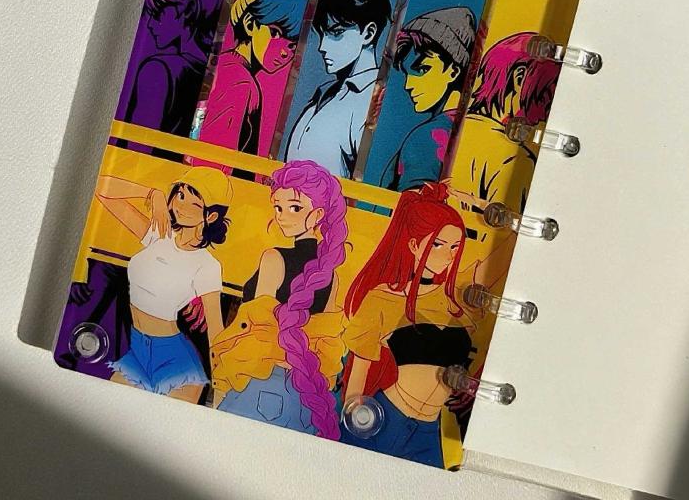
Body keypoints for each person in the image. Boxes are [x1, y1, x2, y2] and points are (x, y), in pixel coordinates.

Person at [339, 182, 513, 468]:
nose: (448, 255)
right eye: (438, 245)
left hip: (429, 431)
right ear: (413, 245)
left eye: (455, 246)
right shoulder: (383, 298)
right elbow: (357, 379)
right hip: (385, 419)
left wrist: (476, 203)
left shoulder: (459, 295)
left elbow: (513, 244)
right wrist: (355, 422)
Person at [212, 161, 349, 439]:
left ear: (318, 214)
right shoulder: (331, 275)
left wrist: (224, 381)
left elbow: (255, 335)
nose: (283, 216)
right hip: (303, 396)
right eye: (278, 208)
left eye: (295, 208)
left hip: (261, 382)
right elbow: (328, 347)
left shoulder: (274, 258)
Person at [93, 167, 233, 402]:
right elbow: (101, 188)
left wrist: (221, 391)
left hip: (176, 362)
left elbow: (216, 332)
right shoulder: (159, 234)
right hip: (138, 351)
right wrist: (152, 194)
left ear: (210, 216)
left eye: (193, 203)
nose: (180, 205)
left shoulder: (208, 265)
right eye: (180, 195)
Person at [284, 0, 391, 176]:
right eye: (321, 33)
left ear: (368, 33)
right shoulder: (325, 93)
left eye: (335, 33)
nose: (322, 46)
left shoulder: (370, 101)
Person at [198, 0, 310, 155]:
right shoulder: (241, 83)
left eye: (292, 44)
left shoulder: (228, 66)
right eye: (275, 33)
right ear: (250, 23)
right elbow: (214, 158)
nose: (284, 52)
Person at [448, 31, 562, 214]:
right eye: (547, 96)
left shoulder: (445, 123)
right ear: (519, 78)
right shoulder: (514, 159)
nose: (545, 114)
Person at [122, 0, 229, 138]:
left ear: (189, 9)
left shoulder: (158, 69)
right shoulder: (212, 74)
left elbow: (135, 148)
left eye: (158, 11)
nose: (150, 23)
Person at [379, 7, 477, 191]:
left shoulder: (427, 137)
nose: (408, 85)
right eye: (406, 73)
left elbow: (415, 207)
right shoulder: (473, 128)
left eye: (422, 69)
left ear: (453, 71)